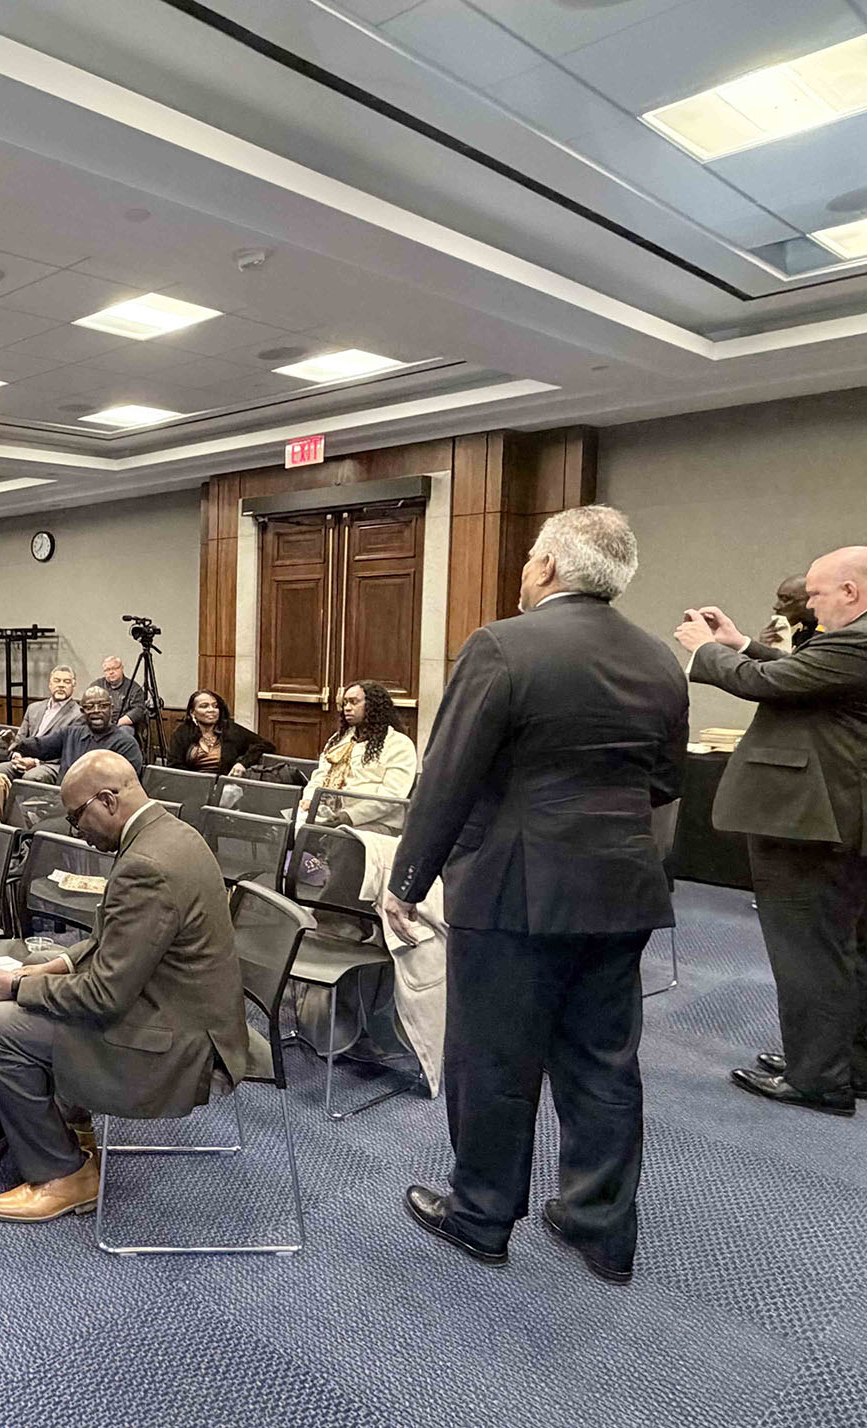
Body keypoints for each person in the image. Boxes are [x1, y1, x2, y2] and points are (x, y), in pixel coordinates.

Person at [388, 505, 687, 1285]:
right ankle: (601, 1228)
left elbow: (446, 777)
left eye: (528, 557)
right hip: (622, 889)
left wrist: (406, 881)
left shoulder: (502, 645)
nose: (524, 570)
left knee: (493, 1058)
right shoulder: (660, 659)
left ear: (548, 567)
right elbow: (664, 784)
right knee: (604, 1063)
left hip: (514, 890)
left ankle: (481, 1215)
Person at [0, 750, 247, 1222]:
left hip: (181, 1043)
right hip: (193, 1009)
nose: (76, 830)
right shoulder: (173, 833)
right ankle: (73, 1128)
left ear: (107, 800)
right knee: (38, 965)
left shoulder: (147, 866)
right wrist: (54, 965)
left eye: (76, 817)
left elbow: (104, 996)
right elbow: (114, 941)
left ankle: (63, 1174)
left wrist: (16, 989)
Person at [677, 545, 867, 1116]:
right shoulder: (849, 645)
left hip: (811, 819)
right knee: (840, 946)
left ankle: (818, 1079)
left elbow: (771, 683)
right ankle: (839, 1061)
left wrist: (706, 652)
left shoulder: (855, 641)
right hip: (831, 814)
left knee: (807, 949)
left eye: (816, 594)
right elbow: (798, 675)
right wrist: (740, 644)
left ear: (851, 592)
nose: (809, 605)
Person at [300, 680, 418, 831]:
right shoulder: (339, 739)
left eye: (354, 702)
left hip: (377, 823)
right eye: (345, 703)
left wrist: (349, 816)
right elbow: (321, 774)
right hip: (330, 814)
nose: (347, 708)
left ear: (372, 705)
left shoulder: (399, 744)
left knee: (334, 838)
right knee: (284, 827)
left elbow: (391, 797)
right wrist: (309, 798)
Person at [9, 685, 146, 783]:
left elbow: (127, 783)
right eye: (90, 707)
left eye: (102, 706)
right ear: (82, 712)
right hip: (61, 802)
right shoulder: (70, 734)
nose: (96, 710)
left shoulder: (126, 743)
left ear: (111, 709)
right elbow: (41, 746)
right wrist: (17, 743)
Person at [165, 689, 274, 776]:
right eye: (204, 706)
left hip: (225, 786)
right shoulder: (182, 733)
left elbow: (266, 745)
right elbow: (174, 765)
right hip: (192, 786)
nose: (211, 710)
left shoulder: (230, 729)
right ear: (192, 712)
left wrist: (242, 763)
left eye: (215, 706)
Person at [12, 666, 82, 783]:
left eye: (66, 682)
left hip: (53, 765)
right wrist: (17, 754)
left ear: (73, 687)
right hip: (24, 759)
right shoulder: (33, 708)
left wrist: (36, 762)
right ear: (50, 685)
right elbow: (20, 739)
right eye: (57, 681)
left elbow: (69, 753)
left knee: (31, 778)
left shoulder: (78, 715)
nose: (61, 685)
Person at [760, 574, 820, 653]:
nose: (776, 606)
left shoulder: (827, 637)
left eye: (785, 599)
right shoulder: (801, 634)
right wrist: (764, 649)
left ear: (811, 600)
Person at [97, 655, 149, 735]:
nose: (111, 672)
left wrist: (117, 723)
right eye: (107, 670)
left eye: (114, 668)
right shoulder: (97, 685)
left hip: (123, 725)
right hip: (101, 723)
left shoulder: (134, 688)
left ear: (122, 668)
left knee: (124, 732)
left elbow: (138, 710)